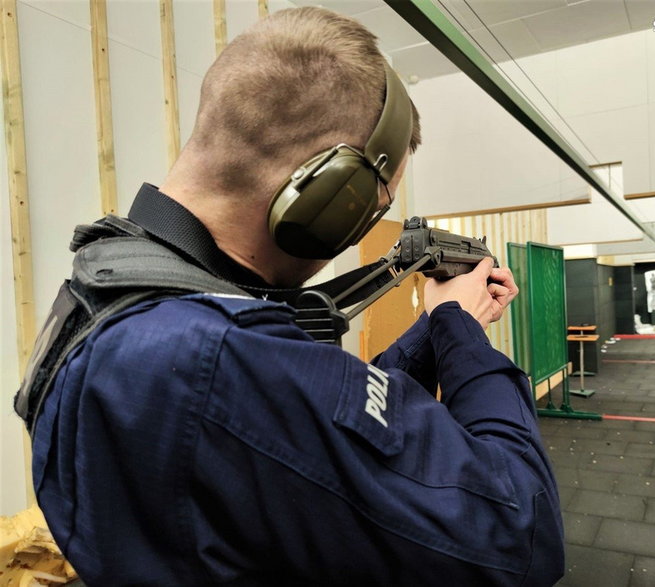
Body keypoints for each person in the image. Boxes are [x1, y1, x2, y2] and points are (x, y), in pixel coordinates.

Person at [21, 7, 564, 586]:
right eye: (374, 203)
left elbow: (314, 430)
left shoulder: (108, 283)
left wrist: (432, 326)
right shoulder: (223, 360)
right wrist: (461, 326)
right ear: (331, 195)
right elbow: (519, 525)